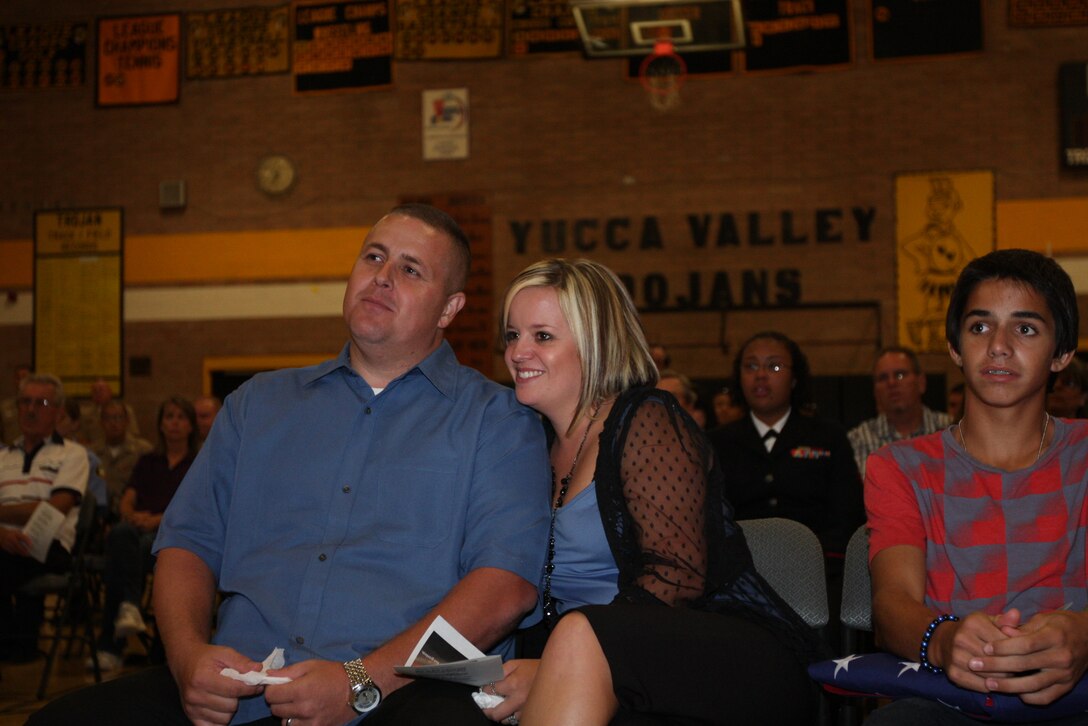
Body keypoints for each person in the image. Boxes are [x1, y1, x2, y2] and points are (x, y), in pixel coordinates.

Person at [30, 204, 551, 726]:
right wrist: (187, 658)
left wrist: (359, 681)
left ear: (449, 308)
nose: (382, 278)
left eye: (411, 269)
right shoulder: (257, 405)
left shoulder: (497, 421)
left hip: (399, 698)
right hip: (241, 691)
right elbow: (187, 542)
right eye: (373, 256)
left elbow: (504, 588)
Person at [487, 258, 825, 726]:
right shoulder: (528, 444)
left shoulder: (646, 418)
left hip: (718, 658)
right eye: (511, 335)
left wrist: (554, 669)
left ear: (596, 343)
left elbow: (676, 577)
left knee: (580, 642)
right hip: (601, 670)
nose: (518, 352)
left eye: (542, 336)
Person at [865, 249, 1088, 724]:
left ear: (1062, 354)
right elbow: (892, 605)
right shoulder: (898, 467)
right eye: (980, 327)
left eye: (1025, 328)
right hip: (947, 695)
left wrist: (1086, 634)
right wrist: (944, 640)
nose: (999, 346)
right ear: (954, 346)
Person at [708, 331, 863, 560]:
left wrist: (805, 554)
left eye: (774, 367)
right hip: (740, 570)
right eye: (751, 366)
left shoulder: (828, 437)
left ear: (794, 379)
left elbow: (849, 519)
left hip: (818, 568)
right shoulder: (716, 443)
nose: (760, 375)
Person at [91, 395, 198, 672]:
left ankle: (111, 640)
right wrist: (132, 514)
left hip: (171, 537)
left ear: (190, 425)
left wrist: (155, 520)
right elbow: (128, 498)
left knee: (130, 552)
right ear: (160, 425)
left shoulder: (197, 463)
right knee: (120, 535)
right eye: (168, 417)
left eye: (180, 417)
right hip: (137, 529)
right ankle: (128, 606)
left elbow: (195, 508)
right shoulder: (148, 460)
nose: (174, 423)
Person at [0, 373, 88, 663]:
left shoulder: (72, 453)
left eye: (42, 402)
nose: (31, 409)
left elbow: (57, 506)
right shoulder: (3, 456)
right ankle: (15, 645)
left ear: (59, 411)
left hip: (49, 543)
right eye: (25, 401)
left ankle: (14, 646)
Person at [847, 346, 950, 477]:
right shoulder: (857, 441)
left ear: (921, 382)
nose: (891, 383)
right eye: (883, 378)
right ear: (875, 391)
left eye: (900, 375)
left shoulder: (951, 430)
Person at [91, 400, 153, 516]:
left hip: (132, 512)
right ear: (101, 422)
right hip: (99, 512)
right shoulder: (92, 453)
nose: (114, 423)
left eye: (119, 418)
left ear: (127, 421)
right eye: (108, 418)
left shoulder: (143, 451)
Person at [79, 378, 140, 446]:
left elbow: (133, 434)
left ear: (110, 392)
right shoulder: (85, 414)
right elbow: (82, 437)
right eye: (95, 391)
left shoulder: (125, 410)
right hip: (95, 450)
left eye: (101, 390)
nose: (98, 393)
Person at [0, 363, 31, 445]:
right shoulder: (4, 407)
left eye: (24, 377)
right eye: (18, 378)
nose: (21, 381)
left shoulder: (38, 406)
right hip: (10, 452)